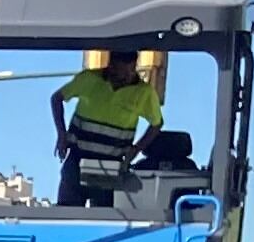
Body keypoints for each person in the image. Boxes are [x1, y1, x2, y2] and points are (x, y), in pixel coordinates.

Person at [49, 48, 167, 208]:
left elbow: (156, 124)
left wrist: (136, 149)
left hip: (111, 166)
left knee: (104, 218)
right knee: (66, 214)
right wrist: (61, 134)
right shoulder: (89, 79)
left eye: (129, 72)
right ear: (110, 66)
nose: (124, 78)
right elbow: (57, 98)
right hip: (77, 160)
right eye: (119, 73)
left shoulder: (144, 93)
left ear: (135, 67)